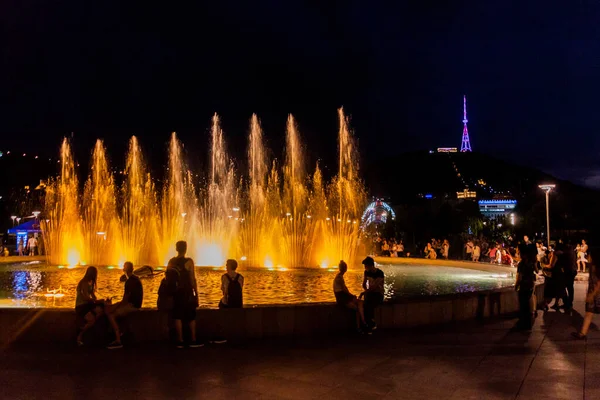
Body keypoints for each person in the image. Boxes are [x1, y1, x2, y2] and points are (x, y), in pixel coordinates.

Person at [167, 241, 202, 348]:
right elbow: (192, 278)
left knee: (177, 315)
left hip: (176, 292)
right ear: (185, 249)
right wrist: (196, 293)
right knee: (191, 315)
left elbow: (167, 277)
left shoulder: (171, 261)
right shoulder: (189, 262)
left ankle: (180, 340)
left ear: (176, 249)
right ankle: (193, 339)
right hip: (187, 292)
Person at [105, 261, 143, 349]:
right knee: (116, 310)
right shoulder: (136, 279)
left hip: (132, 306)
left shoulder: (129, 281)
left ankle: (118, 340)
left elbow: (125, 300)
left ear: (125, 269)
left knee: (111, 315)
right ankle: (122, 332)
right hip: (135, 304)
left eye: (124, 266)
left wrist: (114, 306)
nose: (123, 267)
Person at [334, 260, 367, 332]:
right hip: (342, 298)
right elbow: (344, 290)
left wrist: (351, 296)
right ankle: (361, 325)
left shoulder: (339, 276)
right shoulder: (339, 278)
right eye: (345, 267)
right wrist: (352, 295)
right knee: (357, 307)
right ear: (345, 269)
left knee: (360, 302)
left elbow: (345, 290)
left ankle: (363, 322)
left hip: (343, 296)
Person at [572, 253, 599, 339]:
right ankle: (582, 333)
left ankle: (582, 333)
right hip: (593, 293)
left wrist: (592, 294)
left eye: (589, 255)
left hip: (596, 294)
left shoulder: (597, 267)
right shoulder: (592, 266)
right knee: (589, 312)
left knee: (589, 312)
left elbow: (599, 283)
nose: (587, 257)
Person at [75, 266, 103, 346]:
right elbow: (85, 297)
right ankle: (80, 334)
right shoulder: (83, 283)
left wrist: (97, 300)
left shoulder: (90, 282)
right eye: (95, 274)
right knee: (93, 318)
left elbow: (92, 295)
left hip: (86, 304)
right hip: (81, 306)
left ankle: (91, 324)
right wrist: (96, 301)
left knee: (101, 307)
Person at [515, 244, 537, 331]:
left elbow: (519, 277)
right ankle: (528, 324)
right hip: (530, 284)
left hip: (523, 285)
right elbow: (536, 271)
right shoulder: (531, 262)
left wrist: (516, 285)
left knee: (523, 304)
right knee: (527, 304)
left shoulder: (521, 264)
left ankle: (523, 323)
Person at [359, 256, 384, 331]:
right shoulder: (366, 272)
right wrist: (365, 290)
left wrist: (363, 293)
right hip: (370, 293)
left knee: (368, 304)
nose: (365, 267)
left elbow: (374, 287)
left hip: (378, 294)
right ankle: (370, 324)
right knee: (366, 304)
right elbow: (364, 284)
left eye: (366, 266)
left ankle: (369, 324)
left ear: (371, 265)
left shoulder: (380, 273)